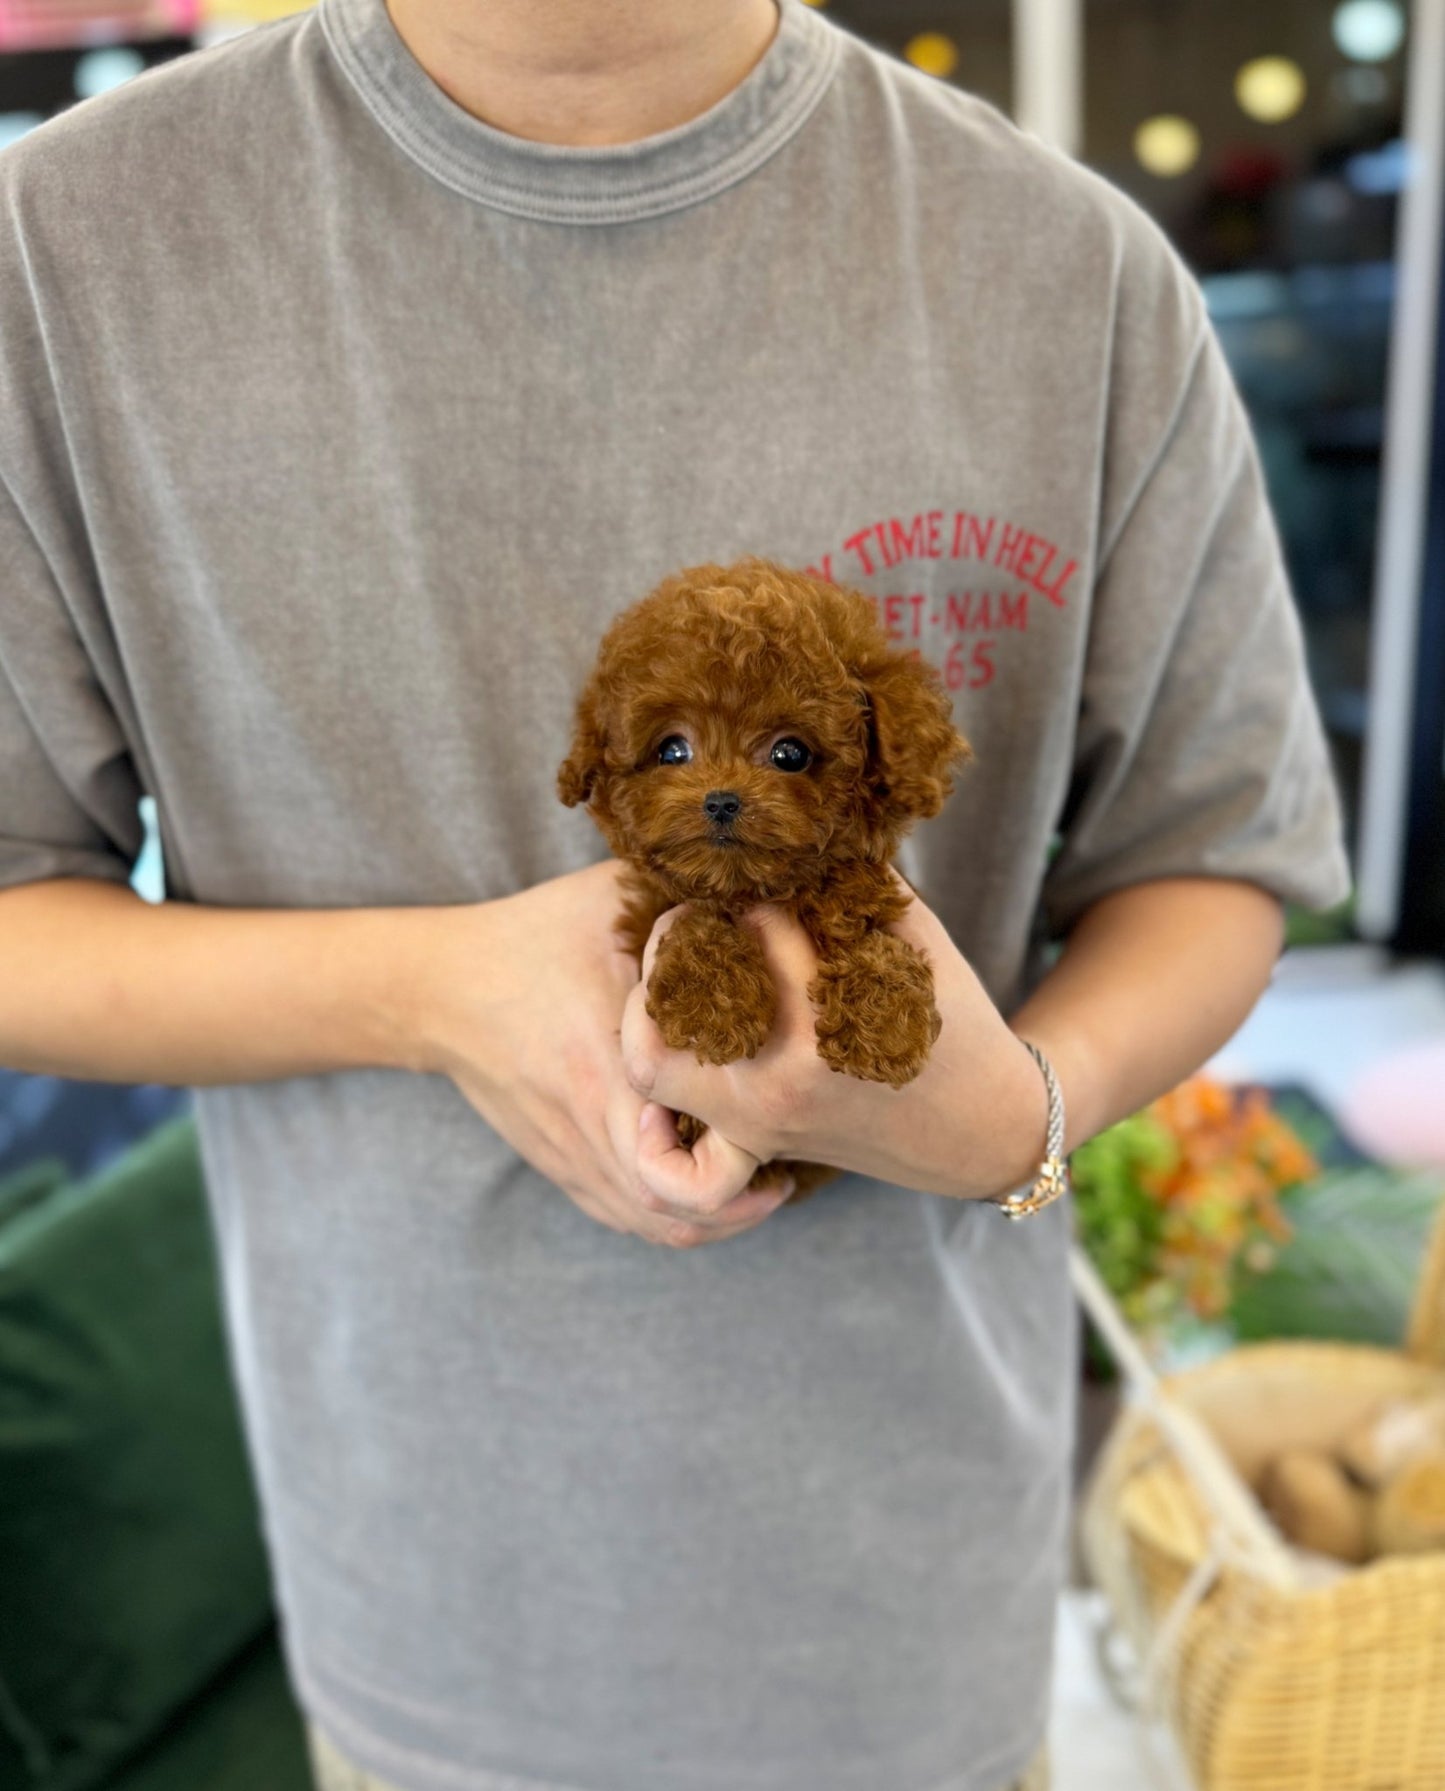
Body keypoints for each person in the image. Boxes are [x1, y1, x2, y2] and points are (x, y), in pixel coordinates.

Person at [0, 0, 1350, 1786]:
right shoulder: (70, 254)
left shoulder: (1065, 266)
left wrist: (1018, 1112)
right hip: (429, 1614)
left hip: (918, 1611)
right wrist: (435, 990)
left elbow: (1213, 853)